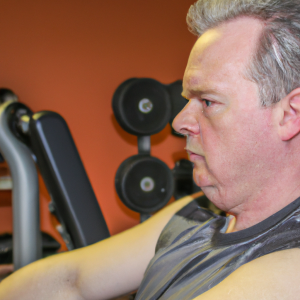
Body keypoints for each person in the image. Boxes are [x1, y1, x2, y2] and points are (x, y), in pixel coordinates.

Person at [2, 0, 300, 299]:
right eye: (187, 100)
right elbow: (71, 279)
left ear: (290, 115)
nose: (179, 121)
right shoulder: (196, 214)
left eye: (208, 101)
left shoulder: (289, 270)